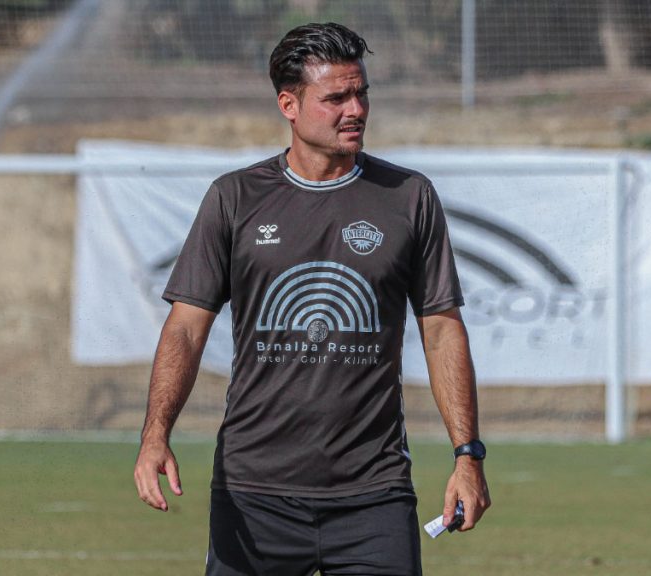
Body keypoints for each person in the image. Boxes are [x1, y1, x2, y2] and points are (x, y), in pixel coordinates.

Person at [134, 22, 490, 576]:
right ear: (289, 105)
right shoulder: (234, 198)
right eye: (336, 98)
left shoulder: (410, 197)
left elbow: (442, 328)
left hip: (374, 494)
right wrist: (155, 434)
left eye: (362, 93)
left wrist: (468, 455)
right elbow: (185, 327)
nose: (356, 110)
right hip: (254, 494)